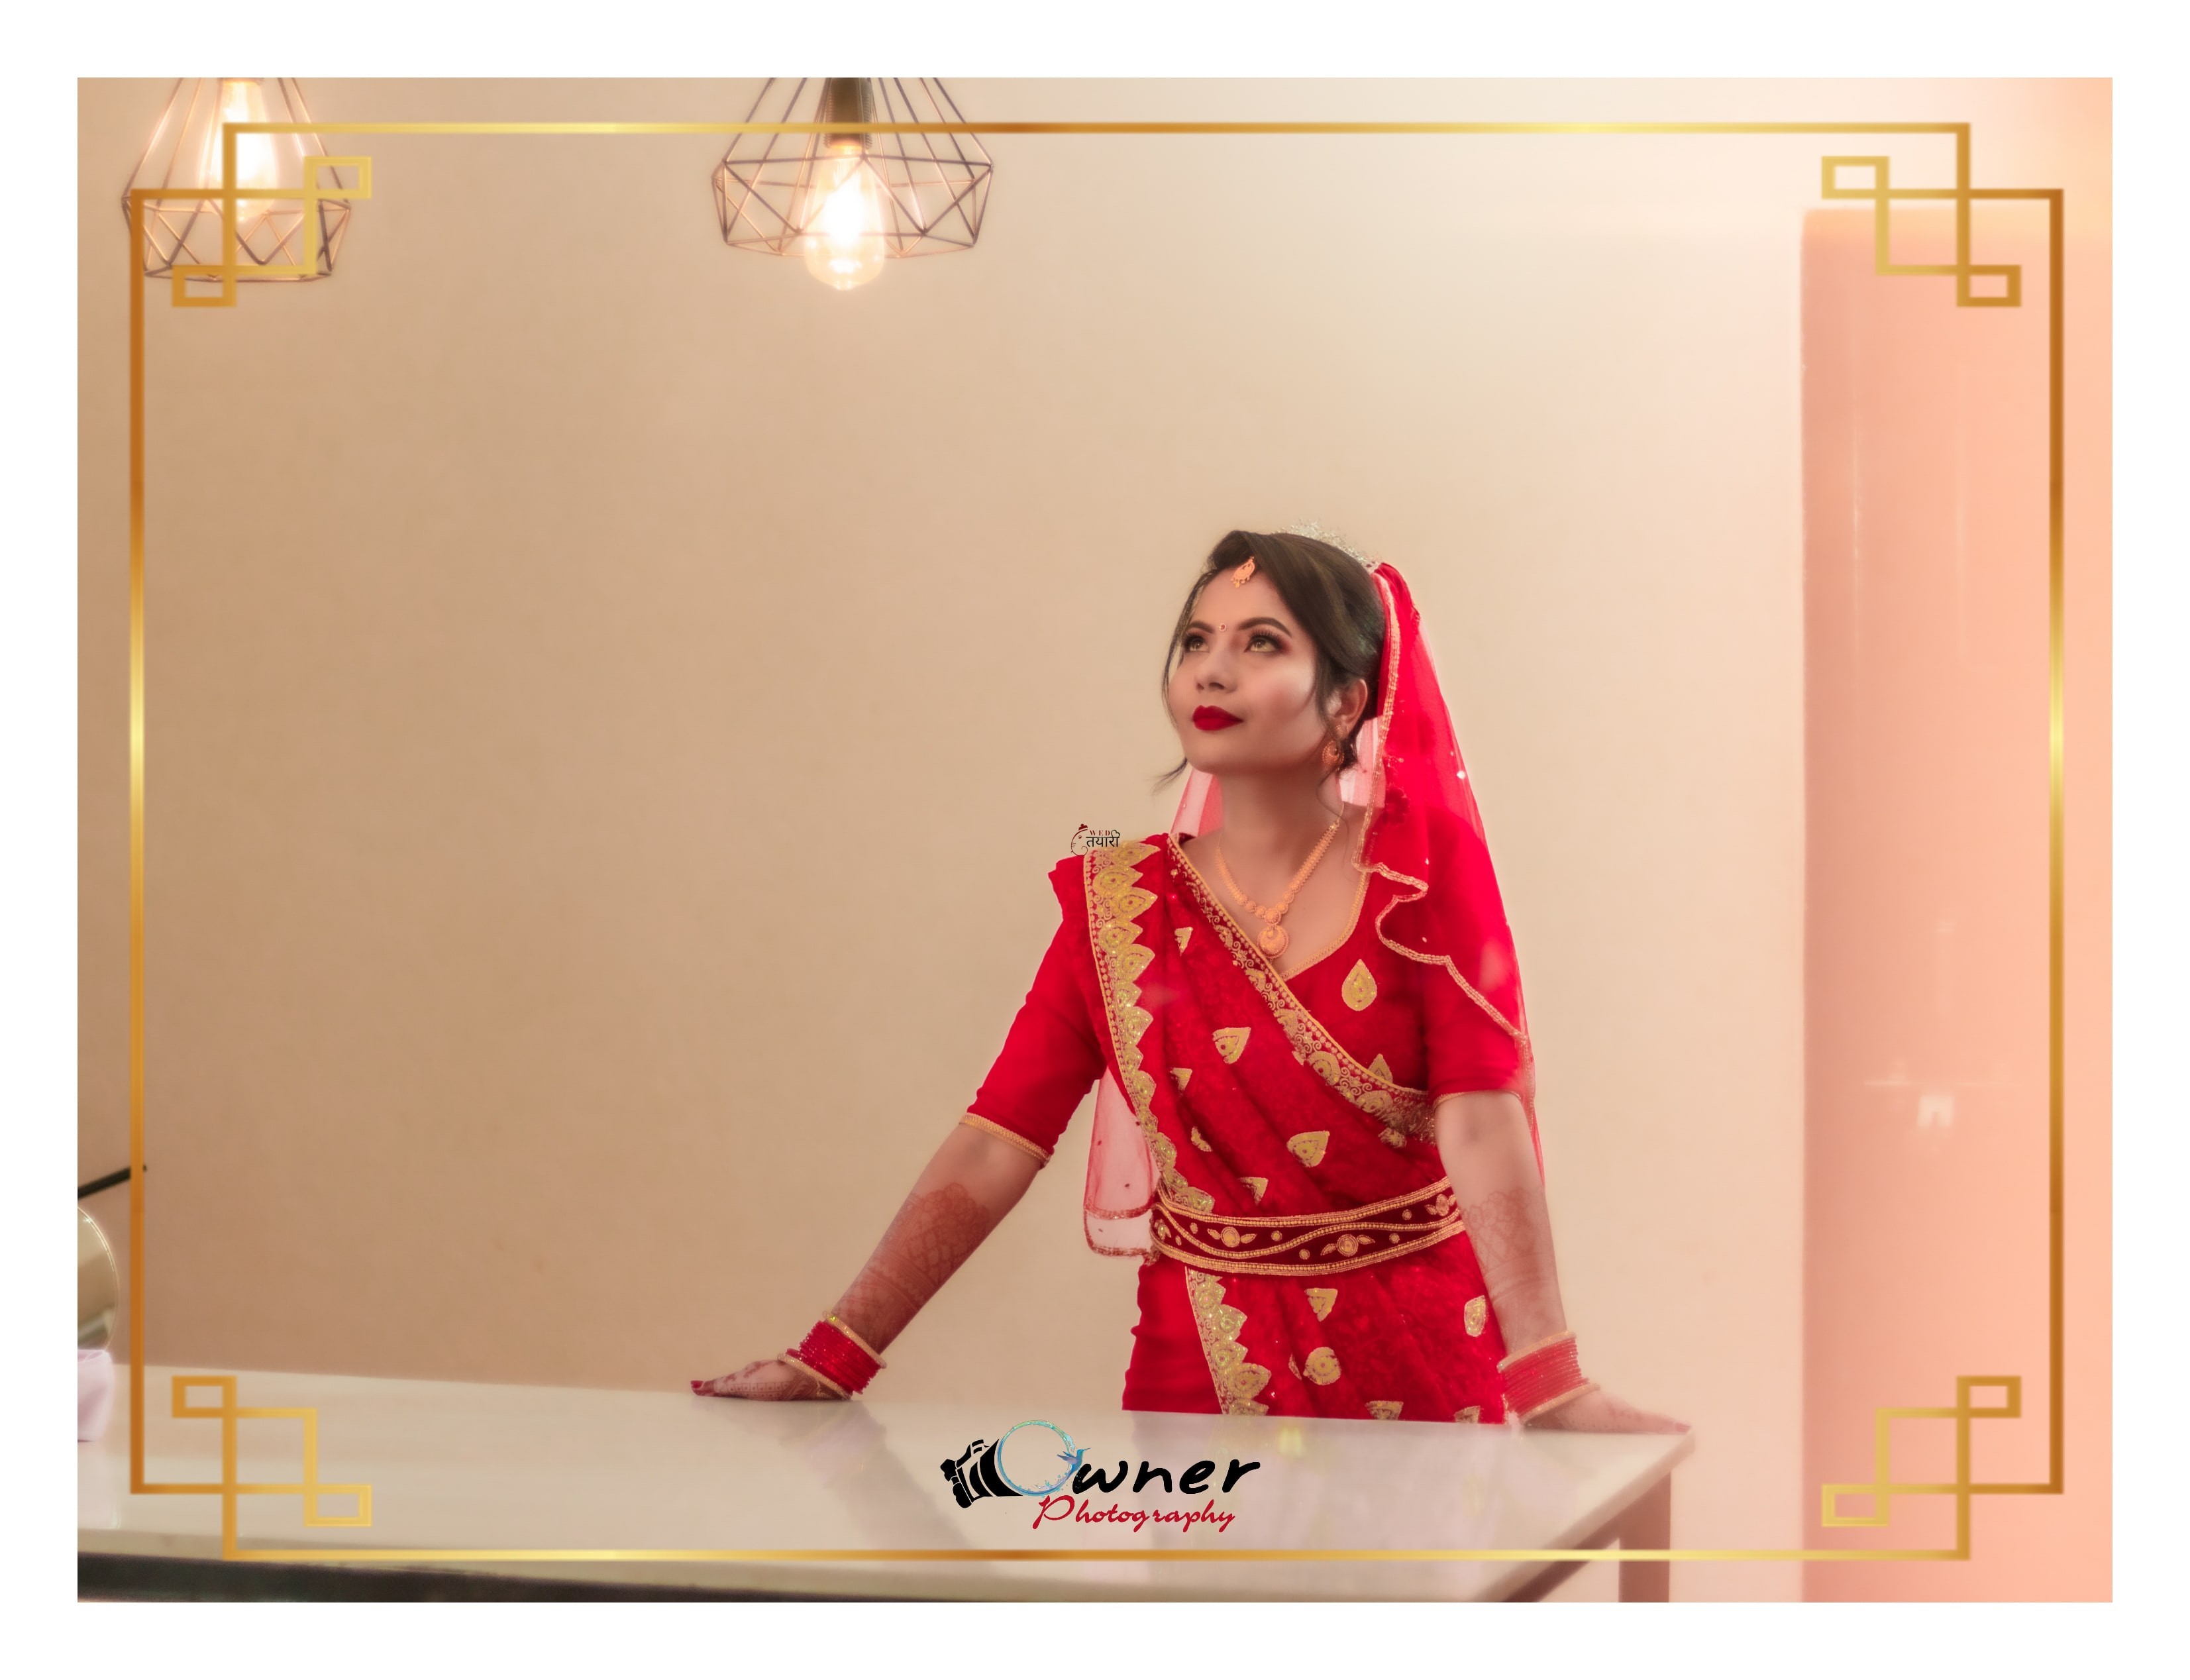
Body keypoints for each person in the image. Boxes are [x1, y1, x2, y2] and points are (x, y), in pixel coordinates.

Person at [693, 529, 1686, 1432]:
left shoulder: (1420, 871)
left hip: (1420, 1366)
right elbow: (997, 1140)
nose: (1212, 669)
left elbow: (1481, 1117)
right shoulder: (1120, 909)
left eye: (1262, 643)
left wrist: (1550, 1381)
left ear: (1347, 700)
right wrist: (835, 1355)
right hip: (1199, 1370)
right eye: (1196, 641)